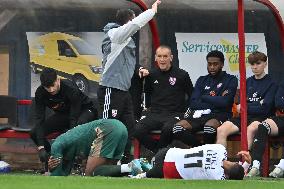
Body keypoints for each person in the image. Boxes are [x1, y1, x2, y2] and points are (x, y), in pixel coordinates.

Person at [97, 0, 161, 161]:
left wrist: (138, 69)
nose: (134, 25)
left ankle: (124, 161)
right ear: (128, 21)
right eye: (132, 20)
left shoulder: (125, 41)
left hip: (123, 91)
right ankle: (99, 162)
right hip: (110, 88)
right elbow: (134, 25)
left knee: (128, 127)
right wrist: (151, 11)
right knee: (109, 126)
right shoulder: (115, 35)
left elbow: (125, 64)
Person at [157, 50, 238, 149]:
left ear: (222, 64)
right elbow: (193, 103)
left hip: (220, 114)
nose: (212, 67)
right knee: (177, 128)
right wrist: (217, 99)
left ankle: (207, 154)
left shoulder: (230, 79)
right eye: (209, 64)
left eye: (215, 64)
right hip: (199, 115)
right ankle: (200, 149)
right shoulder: (202, 80)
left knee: (209, 128)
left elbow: (226, 103)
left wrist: (204, 97)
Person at [30, 68, 98, 166]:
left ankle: (77, 158)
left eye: (53, 85)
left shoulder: (70, 88)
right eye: (47, 87)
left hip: (85, 110)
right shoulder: (40, 93)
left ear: (57, 80)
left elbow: (73, 118)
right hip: (64, 114)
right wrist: (41, 147)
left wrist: (68, 142)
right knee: (34, 133)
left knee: (77, 126)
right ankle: (52, 158)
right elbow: (39, 119)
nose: (51, 90)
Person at [133, 45, 193, 153]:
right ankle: (158, 152)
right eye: (159, 56)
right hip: (155, 114)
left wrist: (186, 113)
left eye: (165, 56)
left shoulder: (182, 74)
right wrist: (146, 109)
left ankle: (158, 155)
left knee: (168, 129)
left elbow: (192, 95)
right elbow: (147, 94)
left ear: (171, 57)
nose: (162, 59)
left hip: (175, 114)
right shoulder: (151, 74)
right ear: (155, 58)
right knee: (137, 130)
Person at [216, 51, 277, 147]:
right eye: (252, 64)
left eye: (258, 63)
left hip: (262, 118)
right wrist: (257, 104)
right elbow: (240, 105)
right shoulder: (247, 81)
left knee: (250, 129)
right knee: (221, 130)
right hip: (244, 117)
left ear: (265, 64)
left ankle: (245, 161)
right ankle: (222, 161)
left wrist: (247, 106)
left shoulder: (272, 83)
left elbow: (266, 108)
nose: (255, 67)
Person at [48, 119, 128, 176]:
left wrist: (53, 169)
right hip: (122, 127)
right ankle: (134, 166)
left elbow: (56, 176)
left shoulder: (57, 145)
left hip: (107, 128)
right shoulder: (70, 149)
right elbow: (64, 174)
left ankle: (131, 167)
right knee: (109, 173)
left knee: (91, 174)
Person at [132, 144, 251, 180]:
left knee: (149, 166)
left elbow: (233, 168)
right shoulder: (216, 176)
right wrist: (247, 165)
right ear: (227, 176)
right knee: (145, 174)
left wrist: (246, 163)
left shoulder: (220, 149)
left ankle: (143, 166)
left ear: (236, 163)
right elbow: (232, 176)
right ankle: (142, 172)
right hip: (169, 169)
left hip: (168, 152)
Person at [246, 80, 284, 177]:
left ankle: (281, 166)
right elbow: (279, 102)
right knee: (263, 126)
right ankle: (255, 166)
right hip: (282, 118)